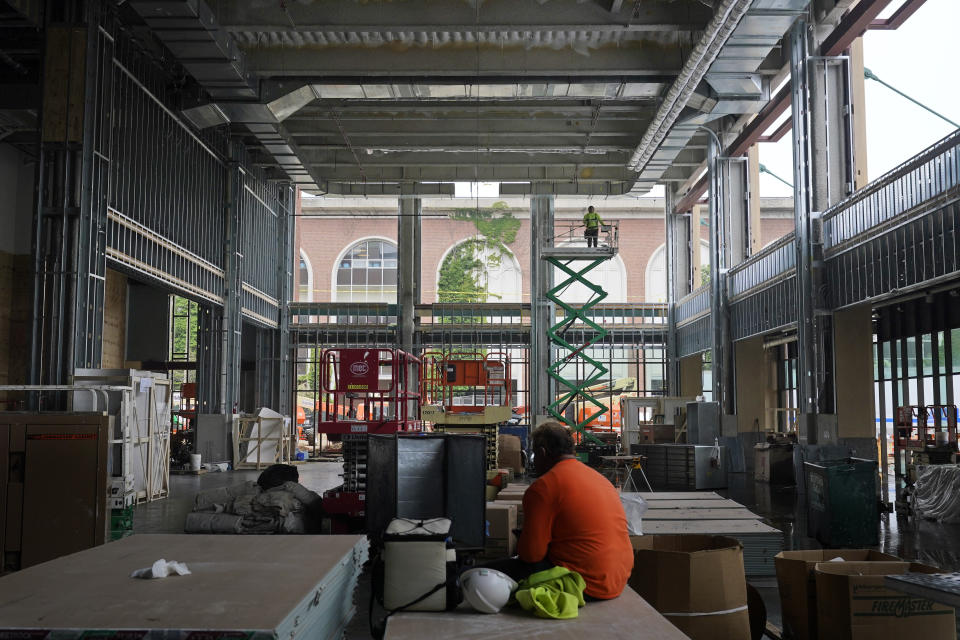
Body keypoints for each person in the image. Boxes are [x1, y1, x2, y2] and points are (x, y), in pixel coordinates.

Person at [486, 422, 634, 600]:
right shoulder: (599, 479)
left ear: (542, 453)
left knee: (484, 575)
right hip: (617, 578)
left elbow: (531, 555)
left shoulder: (544, 487)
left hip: (585, 583)